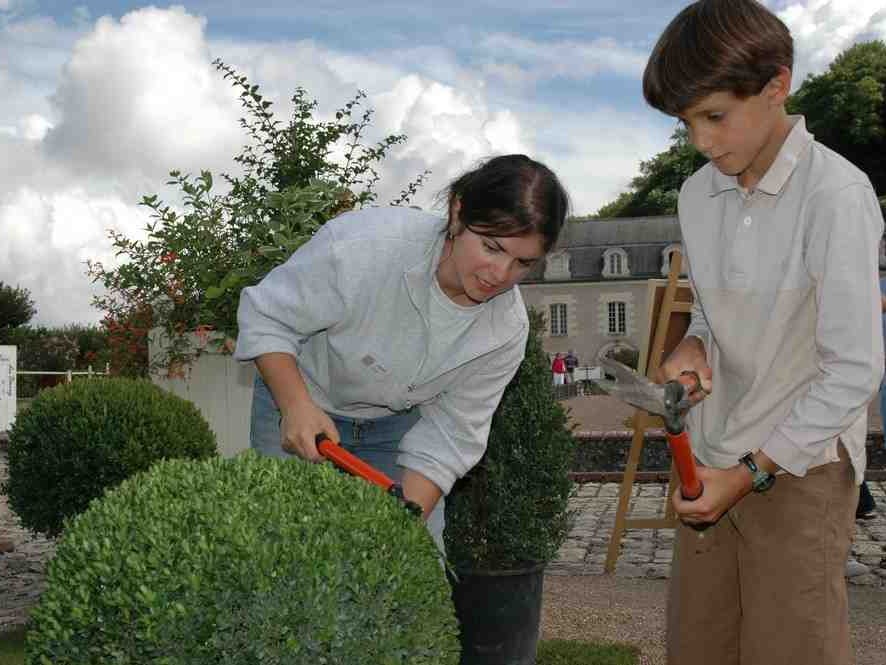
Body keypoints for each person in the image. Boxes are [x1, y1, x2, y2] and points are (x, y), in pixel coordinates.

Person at [643, 1, 885, 664]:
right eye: (687, 122)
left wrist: (752, 471)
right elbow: (708, 312)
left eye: (714, 116)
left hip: (801, 463)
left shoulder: (837, 194)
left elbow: (854, 369)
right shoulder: (697, 194)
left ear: (776, 86)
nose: (700, 141)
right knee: (698, 647)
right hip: (712, 449)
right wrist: (693, 343)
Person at [234, 154, 569, 552]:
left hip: (395, 430)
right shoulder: (364, 247)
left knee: (409, 566)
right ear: (457, 212)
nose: (500, 275)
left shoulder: (505, 330)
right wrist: (295, 406)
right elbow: (268, 317)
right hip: (299, 402)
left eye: (522, 263)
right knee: (286, 557)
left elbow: (451, 435)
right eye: (491, 247)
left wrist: (401, 527)